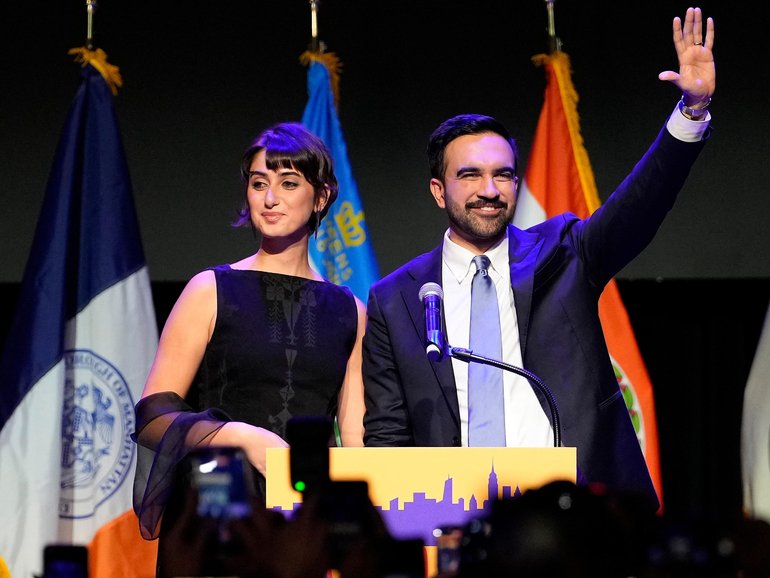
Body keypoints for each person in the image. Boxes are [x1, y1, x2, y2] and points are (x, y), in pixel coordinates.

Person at [362, 7, 715, 509]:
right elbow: (388, 435)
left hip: (576, 512)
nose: (490, 190)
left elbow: (640, 206)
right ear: (439, 191)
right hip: (456, 515)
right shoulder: (396, 299)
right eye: (470, 175)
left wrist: (691, 112)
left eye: (503, 175)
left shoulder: (564, 253)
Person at [131, 123, 367, 569]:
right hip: (215, 512)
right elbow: (153, 417)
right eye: (259, 183)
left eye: (288, 183)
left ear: (321, 197)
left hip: (300, 521)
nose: (270, 198)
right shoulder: (210, 289)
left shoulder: (350, 311)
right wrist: (242, 436)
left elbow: (354, 439)